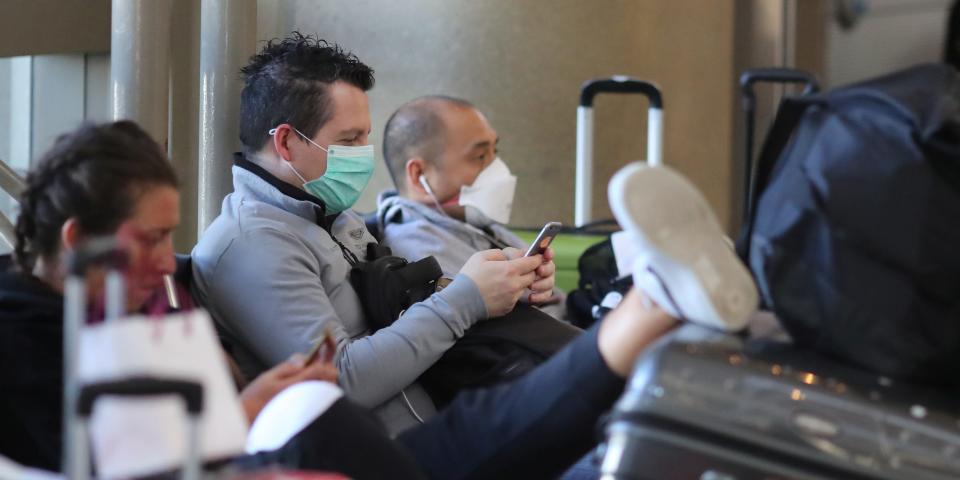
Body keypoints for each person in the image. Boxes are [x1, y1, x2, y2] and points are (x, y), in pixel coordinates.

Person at [0, 121, 754, 479]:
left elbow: (192, 429)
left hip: (306, 446)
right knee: (477, 442)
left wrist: (260, 395)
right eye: (154, 236)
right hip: (289, 461)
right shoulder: (21, 338)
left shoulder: (138, 296)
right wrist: (259, 414)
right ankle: (654, 307)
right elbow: (141, 464)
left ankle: (655, 308)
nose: (171, 258)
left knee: (484, 433)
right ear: (78, 239)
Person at [190, 33, 558, 435]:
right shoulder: (252, 245)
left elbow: (400, 307)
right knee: (599, 377)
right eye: (349, 139)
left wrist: (500, 288)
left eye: (366, 134)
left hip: (445, 417)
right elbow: (340, 381)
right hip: (399, 454)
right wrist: (466, 300)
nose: (364, 152)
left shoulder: (332, 216)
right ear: (286, 142)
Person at [377, 96, 566, 319]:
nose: (498, 169)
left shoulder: (470, 223)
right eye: (479, 156)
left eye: (495, 152)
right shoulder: (418, 255)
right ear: (420, 176)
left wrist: (540, 282)